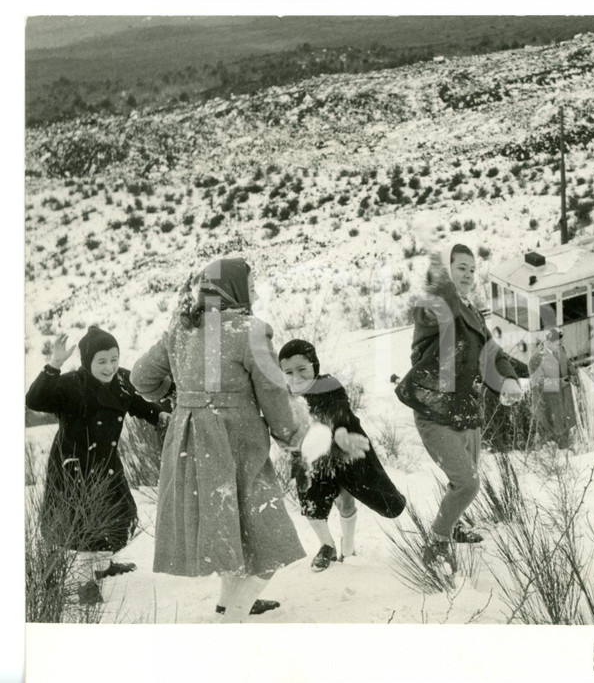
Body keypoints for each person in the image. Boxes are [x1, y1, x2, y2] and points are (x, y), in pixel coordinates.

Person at [131, 257, 311, 623]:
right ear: (233, 289)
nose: (256, 291)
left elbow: (140, 379)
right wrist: (293, 436)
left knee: (232, 526)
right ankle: (234, 618)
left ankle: (226, 605)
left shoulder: (180, 329)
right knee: (270, 537)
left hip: (190, 446)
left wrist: (183, 397)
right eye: (251, 284)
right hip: (238, 444)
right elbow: (275, 397)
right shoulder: (250, 331)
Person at [395, 244, 523, 570]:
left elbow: (492, 353)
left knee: (464, 482)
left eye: (471, 269)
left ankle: (455, 526)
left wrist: (509, 379)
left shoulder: (475, 315)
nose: (467, 274)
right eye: (460, 268)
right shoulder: (436, 305)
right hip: (433, 410)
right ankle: (437, 542)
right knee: (467, 483)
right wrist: (443, 286)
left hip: (466, 411)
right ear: (448, 272)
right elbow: (429, 312)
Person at [25, 326, 169, 605]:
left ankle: (102, 567)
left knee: (119, 516)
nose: (110, 367)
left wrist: (160, 414)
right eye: (101, 361)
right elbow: (34, 400)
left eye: (114, 359)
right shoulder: (70, 384)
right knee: (84, 528)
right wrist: (53, 365)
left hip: (106, 463)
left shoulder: (123, 380)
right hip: (74, 468)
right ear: (87, 361)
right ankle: (85, 584)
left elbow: (139, 404)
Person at [278, 338, 406, 571]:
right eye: (288, 371)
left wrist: (340, 433)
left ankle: (348, 547)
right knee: (310, 503)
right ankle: (326, 546)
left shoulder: (328, 385)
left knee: (346, 500)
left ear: (315, 366)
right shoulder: (285, 396)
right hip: (312, 455)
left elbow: (339, 409)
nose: (295, 376)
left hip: (343, 449)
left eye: (302, 369)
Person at [528, 328, 579, 449]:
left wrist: (573, 373)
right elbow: (541, 384)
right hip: (548, 406)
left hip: (563, 401)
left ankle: (566, 454)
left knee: (565, 429)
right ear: (548, 342)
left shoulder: (559, 348)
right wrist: (565, 381)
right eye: (557, 344)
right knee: (551, 438)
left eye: (560, 343)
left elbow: (566, 362)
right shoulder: (535, 359)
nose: (560, 346)